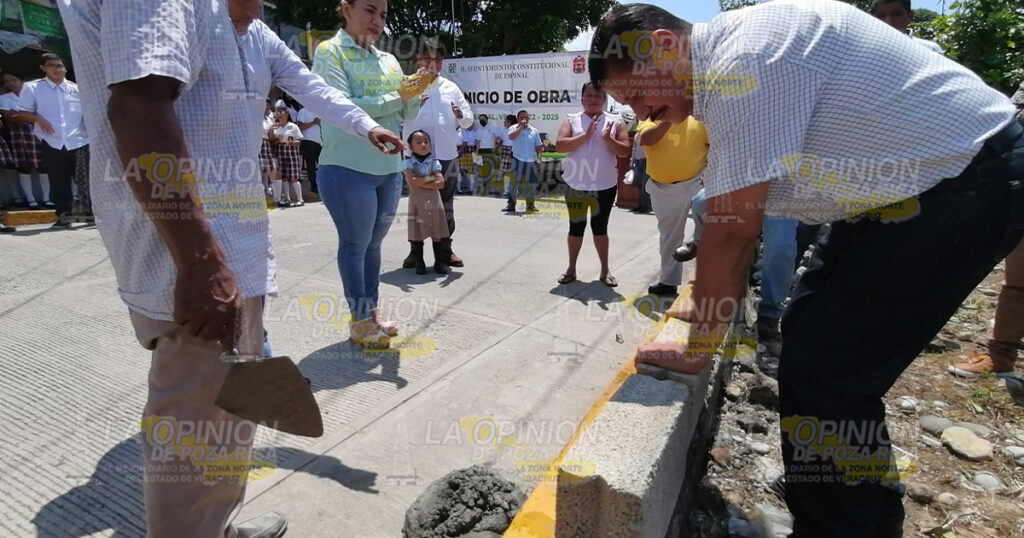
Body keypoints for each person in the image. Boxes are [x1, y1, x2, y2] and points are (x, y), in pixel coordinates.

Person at [590, 2, 1022, 535]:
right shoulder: (733, 55)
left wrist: (698, 347)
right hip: (895, 197)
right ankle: (837, 508)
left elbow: (731, 229)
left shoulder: (739, 65)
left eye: (637, 96)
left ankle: (851, 525)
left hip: (963, 183)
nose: (647, 115)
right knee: (806, 341)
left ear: (664, 45)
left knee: (829, 370)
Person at [57, 0, 288, 534]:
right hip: (198, 251)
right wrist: (201, 261)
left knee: (219, 417)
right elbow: (139, 109)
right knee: (199, 426)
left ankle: (215, 526)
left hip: (206, 243)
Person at [312, 0, 425, 348]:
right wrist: (397, 95)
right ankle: (359, 320)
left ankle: (371, 312)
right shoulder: (330, 52)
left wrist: (416, 90)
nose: (377, 21)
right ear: (345, 8)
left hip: (389, 168)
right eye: (370, 11)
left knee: (373, 245)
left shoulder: (388, 60)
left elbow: (406, 110)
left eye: (383, 15)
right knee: (355, 244)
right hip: (347, 168)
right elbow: (343, 106)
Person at [400, 37, 472, 268]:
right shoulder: (408, 85)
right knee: (417, 204)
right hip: (416, 158)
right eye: (428, 58)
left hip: (446, 155)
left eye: (439, 59)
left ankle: (445, 251)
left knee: (446, 205)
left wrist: (461, 116)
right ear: (418, 59)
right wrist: (413, 105)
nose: (434, 63)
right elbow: (396, 115)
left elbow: (469, 120)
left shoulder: (451, 88)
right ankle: (415, 251)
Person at [555, 81, 630, 287]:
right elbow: (560, 145)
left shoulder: (615, 122)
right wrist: (586, 135)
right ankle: (571, 269)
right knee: (576, 227)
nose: (593, 100)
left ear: (605, 100)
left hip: (604, 186)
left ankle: (605, 271)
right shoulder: (572, 120)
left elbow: (624, 151)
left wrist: (608, 140)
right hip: (576, 185)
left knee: (600, 228)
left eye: (598, 96)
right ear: (582, 99)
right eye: (589, 95)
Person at [635, 116, 707, 298]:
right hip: (662, 186)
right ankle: (668, 282)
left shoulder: (699, 117)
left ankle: (706, 279)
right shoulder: (651, 117)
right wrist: (670, 119)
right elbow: (646, 139)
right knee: (669, 236)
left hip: (696, 179)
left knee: (708, 220)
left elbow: (715, 145)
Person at [17, 53, 86, 228]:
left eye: (60, 66)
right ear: (43, 68)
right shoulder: (33, 88)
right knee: (59, 182)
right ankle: (64, 216)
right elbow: (23, 112)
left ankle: (91, 215)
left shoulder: (76, 89)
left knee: (85, 181)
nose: (58, 70)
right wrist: (40, 120)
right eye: (52, 66)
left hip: (79, 141)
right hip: (52, 142)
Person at [0, 72, 51, 209]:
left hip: (38, 132)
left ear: (22, 81)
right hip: (19, 134)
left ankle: (47, 198)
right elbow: (9, 118)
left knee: (43, 165)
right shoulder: (4, 98)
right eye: (7, 82)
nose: (11, 83)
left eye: (14, 80)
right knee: (24, 166)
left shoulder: (34, 95)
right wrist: (30, 116)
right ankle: (30, 198)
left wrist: (21, 115)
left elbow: (43, 113)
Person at [404, 130, 450, 275]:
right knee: (418, 233)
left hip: (434, 201)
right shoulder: (408, 163)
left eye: (426, 141)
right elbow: (411, 181)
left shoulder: (434, 162)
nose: (423, 145)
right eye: (418, 142)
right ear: (410, 147)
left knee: (437, 232)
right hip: (417, 202)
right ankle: (420, 262)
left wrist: (419, 181)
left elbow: (441, 183)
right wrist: (430, 180)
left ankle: (439, 262)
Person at [504, 110, 544, 213]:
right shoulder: (513, 128)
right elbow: (511, 137)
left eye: (526, 117)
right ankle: (511, 205)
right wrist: (521, 127)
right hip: (517, 159)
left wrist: (539, 158)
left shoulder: (534, 131)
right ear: (517, 119)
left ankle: (530, 206)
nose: (524, 119)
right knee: (513, 184)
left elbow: (539, 147)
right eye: (521, 117)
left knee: (530, 184)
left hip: (530, 161)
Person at [870, 0, 944, 54]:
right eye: (881, 16)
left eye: (896, 14)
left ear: (910, 16)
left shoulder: (930, 49)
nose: (889, 21)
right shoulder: (865, 49)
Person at [267, 107, 305, 207]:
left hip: (291, 154)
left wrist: (292, 142)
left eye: (281, 112)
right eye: (277, 112)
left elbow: (300, 141)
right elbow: (271, 142)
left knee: (293, 178)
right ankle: (287, 198)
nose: (278, 114)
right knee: (282, 177)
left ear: (287, 114)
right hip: (279, 154)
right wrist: (277, 139)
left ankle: (300, 199)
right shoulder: (275, 127)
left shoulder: (293, 126)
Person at [295, 106, 322, 194]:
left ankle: (322, 184)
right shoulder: (303, 111)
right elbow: (300, 127)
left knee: (323, 164)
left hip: (320, 142)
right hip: (308, 141)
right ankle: (314, 186)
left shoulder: (319, 111)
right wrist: (313, 123)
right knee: (311, 165)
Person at [476, 113, 502, 195]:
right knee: (481, 172)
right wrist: (476, 152)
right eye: (480, 120)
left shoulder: (492, 128)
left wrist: (496, 148)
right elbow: (478, 141)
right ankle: (484, 189)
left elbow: (499, 139)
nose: (481, 121)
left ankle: (492, 189)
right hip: (481, 152)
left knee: (491, 171)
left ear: (487, 120)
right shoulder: (478, 130)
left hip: (490, 152)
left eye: (483, 119)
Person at [630, 128, 652, 213]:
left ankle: (645, 206)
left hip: (647, 161)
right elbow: (634, 148)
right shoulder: (637, 134)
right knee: (638, 183)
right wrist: (632, 162)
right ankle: (640, 204)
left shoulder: (649, 131)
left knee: (644, 185)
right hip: (638, 160)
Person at [457, 124, 477, 195]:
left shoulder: (476, 132)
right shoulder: (463, 131)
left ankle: (471, 189)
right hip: (464, 152)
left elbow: (477, 142)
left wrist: (476, 152)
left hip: (473, 151)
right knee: (463, 171)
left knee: (472, 171)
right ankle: (461, 188)